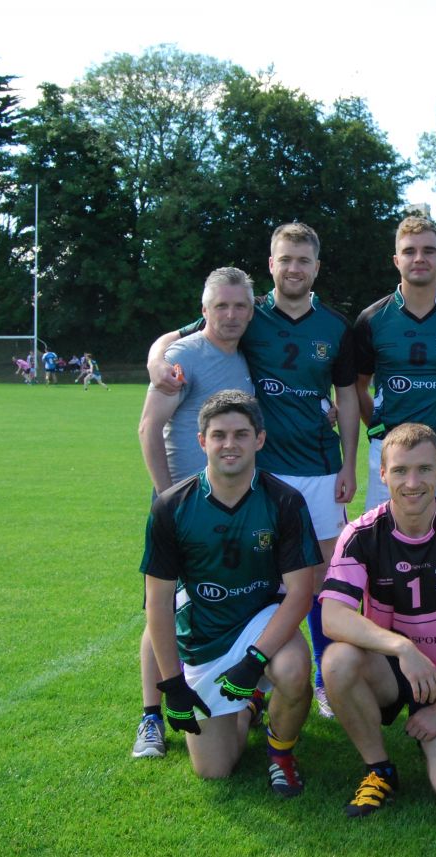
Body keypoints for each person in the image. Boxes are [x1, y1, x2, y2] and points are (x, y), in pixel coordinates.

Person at [146, 223, 359, 720]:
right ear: (271, 265)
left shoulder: (335, 326)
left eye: (303, 260)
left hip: (321, 468)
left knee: (325, 581)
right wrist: (157, 357)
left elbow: (346, 397)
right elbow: (178, 335)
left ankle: (325, 679)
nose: (294, 268)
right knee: (260, 578)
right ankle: (238, 684)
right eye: (285, 259)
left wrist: (349, 462)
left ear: (316, 268)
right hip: (263, 472)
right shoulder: (247, 312)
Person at [319, 423, 436, 817]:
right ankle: (379, 769)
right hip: (391, 670)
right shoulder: (360, 534)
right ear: (383, 474)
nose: (412, 482)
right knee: (337, 661)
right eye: (400, 470)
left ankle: (432, 725)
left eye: (423, 469)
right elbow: (332, 616)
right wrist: (402, 647)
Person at [142, 390, 322, 793]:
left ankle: (281, 754)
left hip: (261, 620)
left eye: (241, 434)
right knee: (214, 770)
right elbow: (158, 602)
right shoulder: (171, 506)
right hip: (205, 634)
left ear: (259, 439)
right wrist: (172, 685)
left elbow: (300, 593)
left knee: (293, 672)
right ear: (201, 440)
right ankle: (251, 705)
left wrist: (254, 661)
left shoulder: (285, 501)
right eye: (219, 434)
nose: (230, 444)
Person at [132, 267, 255, 759]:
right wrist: (168, 500)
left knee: (225, 603)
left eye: (239, 306)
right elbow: (148, 428)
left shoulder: (247, 354)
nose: (230, 315)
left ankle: (240, 700)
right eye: (220, 307)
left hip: (233, 508)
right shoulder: (182, 357)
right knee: (160, 611)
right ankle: (150, 718)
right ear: (203, 311)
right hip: (183, 507)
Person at [354, 216, 436, 513]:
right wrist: (381, 433)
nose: (419, 258)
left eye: (428, 251)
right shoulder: (371, 319)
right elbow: (357, 387)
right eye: (409, 251)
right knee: (382, 547)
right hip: (388, 454)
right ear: (396, 259)